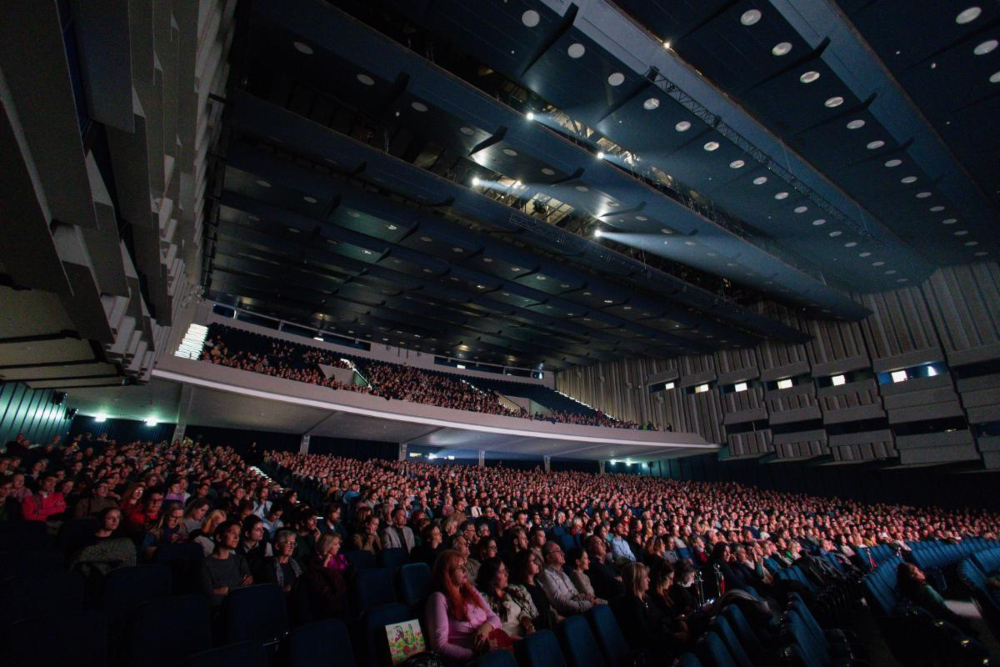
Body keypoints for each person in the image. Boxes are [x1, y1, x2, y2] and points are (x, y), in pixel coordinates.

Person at [425, 549, 504, 662]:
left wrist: (486, 627)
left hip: (491, 652)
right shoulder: (438, 598)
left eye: (464, 566)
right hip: (471, 660)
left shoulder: (471, 590)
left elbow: (495, 618)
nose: (464, 570)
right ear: (448, 574)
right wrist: (476, 654)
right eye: (460, 568)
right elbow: (440, 646)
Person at [616, 562, 683, 662]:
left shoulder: (646, 598)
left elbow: (661, 618)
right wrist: (675, 636)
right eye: (645, 577)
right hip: (654, 654)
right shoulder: (632, 606)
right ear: (636, 581)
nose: (649, 579)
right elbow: (648, 637)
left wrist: (678, 623)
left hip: (664, 642)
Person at [897, 563, 977, 635]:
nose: (921, 572)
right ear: (913, 576)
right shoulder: (925, 589)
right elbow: (942, 608)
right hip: (947, 621)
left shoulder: (910, 592)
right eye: (917, 571)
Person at [476, 557, 538, 639]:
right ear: (491, 576)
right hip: (509, 641)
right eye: (501, 572)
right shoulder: (484, 599)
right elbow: (496, 627)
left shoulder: (510, 592)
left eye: (505, 570)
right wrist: (520, 639)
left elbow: (523, 613)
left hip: (526, 632)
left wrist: (528, 626)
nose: (506, 574)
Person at [200, 520, 253, 607]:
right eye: (233, 533)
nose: (237, 537)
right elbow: (208, 597)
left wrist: (226, 590)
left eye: (238, 534)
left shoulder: (239, 560)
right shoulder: (205, 564)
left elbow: (248, 589)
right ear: (219, 537)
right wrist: (237, 589)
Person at [539, 542, 601, 616]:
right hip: (574, 613)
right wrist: (589, 604)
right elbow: (560, 603)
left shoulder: (563, 573)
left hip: (582, 604)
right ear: (549, 557)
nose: (563, 554)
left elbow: (576, 593)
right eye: (558, 551)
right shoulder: (546, 575)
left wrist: (589, 599)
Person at [301, 533, 347, 618]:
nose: (339, 547)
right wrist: (324, 566)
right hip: (327, 598)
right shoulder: (315, 561)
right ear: (327, 545)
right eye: (336, 544)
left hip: (342, 592)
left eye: (339, 544)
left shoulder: (339, 558)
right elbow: (321, 584)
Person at [261, 529, 302, 593]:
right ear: (277, 546)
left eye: (293, 543)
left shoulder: (298, 564)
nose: (292, 547)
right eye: (288, 543)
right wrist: (283, 590)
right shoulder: (268, 566)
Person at [585, 535, 625, 601]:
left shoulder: (606, 561)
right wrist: (616, 579)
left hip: (621, 591)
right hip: (613, 597)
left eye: (602, 542)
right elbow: (606, 582)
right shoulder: (591, 565)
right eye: (599, 543)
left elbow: (620, 572)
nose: (603, 545)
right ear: (590, 547)